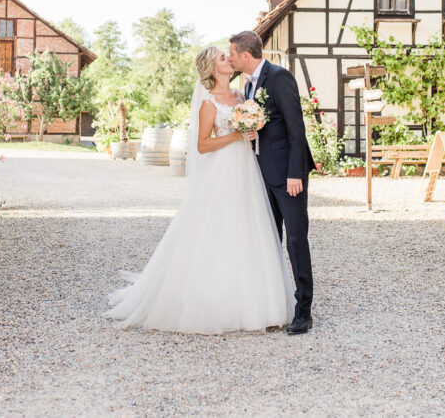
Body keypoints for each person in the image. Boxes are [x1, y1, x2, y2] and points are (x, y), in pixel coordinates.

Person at [105, 46, 294, 334]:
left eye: (227, 56)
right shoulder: (209, 102)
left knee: (248, 227)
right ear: (213, 68)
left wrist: (251, 132)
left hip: (246, 168)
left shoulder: (242, 96)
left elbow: (249, 132)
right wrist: (236, 134)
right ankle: (213, 301)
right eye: (222, 58)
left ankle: (255, 301)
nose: (228, 59)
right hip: (222, 170)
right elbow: (202, 145)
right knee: (217, 229)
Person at [229, 30, 315, 335]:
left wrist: (295, 173)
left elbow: (296, 129)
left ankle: (304, 310)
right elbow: (269, 124)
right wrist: (253, 133)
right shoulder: (249, 85)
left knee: (295, 239)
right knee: (269, 240)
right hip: (262, 174)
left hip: (288, 176)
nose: (231, 59)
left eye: (233, 54)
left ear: (245, 55)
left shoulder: (279, 77)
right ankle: (275, 304)